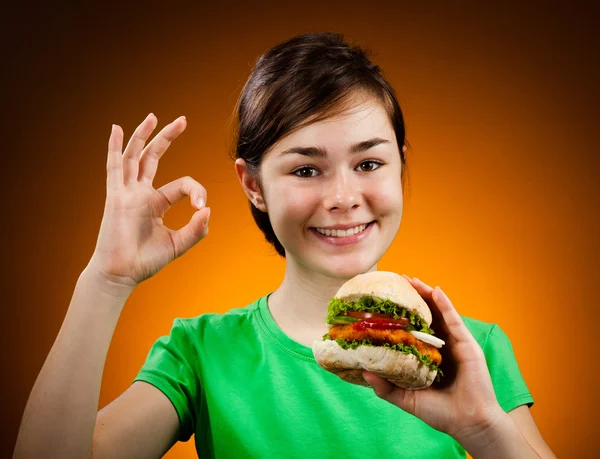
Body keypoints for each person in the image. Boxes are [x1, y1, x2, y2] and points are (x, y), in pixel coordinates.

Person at [14, 32, 556, 458]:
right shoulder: (201, 353)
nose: (343, 196)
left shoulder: (469, 351)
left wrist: (484, 430)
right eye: (306, 168)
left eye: (368, 163)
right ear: (254, 186)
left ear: (401, 165)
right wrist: (106, 281)